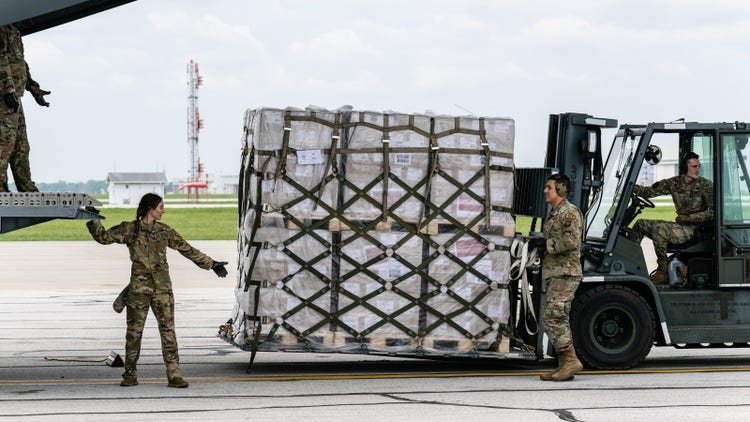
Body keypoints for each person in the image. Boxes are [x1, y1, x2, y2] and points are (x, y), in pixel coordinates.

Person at [87, 193, 229, 388]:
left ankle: (174, 375)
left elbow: (187, 249)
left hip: (162, 290)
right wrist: (94, 219)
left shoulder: (164, 231)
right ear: (150, 209)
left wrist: (211, 264)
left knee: (168, 332)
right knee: (134, 334)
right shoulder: (130, 229)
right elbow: (103, 238)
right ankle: (129, 375)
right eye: (161, 207)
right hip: (138, 291)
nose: (163, 211)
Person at [532, 173, 584, 381]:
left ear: (561, 190)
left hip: (566, 272)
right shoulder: (554, 213)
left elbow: (571, 241)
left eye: (549, 187)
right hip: (556, 272)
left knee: (553, 317)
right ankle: (564, 364)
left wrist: (546, 245)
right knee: (555, 316)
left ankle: (570, 361)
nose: (545, 191)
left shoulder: (569, 213)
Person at [632, 152, 714, 284]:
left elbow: (712, 212)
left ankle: (663, 271)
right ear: (684, 167)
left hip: (695, 229)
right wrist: (634, 188)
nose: (698, 169)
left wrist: (690, 218)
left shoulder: (706, 186)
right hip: (681, 226)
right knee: (640, 224)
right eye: (694, 166)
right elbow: (649, 192)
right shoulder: (674, 183)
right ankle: (632, 263)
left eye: (699, 166)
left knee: (660, 229)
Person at [0, 23, 49, 192]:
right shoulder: (2, 28)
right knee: (4, 143)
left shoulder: (14, 29)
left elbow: (20, 62)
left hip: (15, 96)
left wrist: (33, 88)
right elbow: (1, 58)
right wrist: (8, 90)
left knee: (21, 145)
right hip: (4, 98)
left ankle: (25, 185)